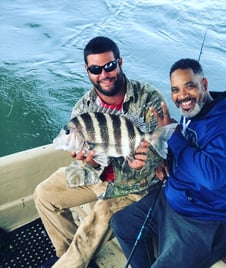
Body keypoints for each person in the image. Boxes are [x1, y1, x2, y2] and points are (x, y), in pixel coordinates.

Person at [34, 36, 166, 268]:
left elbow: (161, 150)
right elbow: (90, 162)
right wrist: (92, 164)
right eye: (96, 69)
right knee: (44, 195)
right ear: (87, 70)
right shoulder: (83, 108)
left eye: (109, 66)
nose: (104, 74)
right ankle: (70, 258)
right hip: (98, 177)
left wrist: (145, 161)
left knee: (98, 219)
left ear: (119, 62)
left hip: (136, 186)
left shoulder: (149, 98)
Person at [110, 58, 226, 268]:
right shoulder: (193, 111)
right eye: (175, 89)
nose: (182, 96)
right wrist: (164, 160)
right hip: (176, 200)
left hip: (210, 217)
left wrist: (174, 135)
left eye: (190, 86)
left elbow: (212, 177)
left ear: (204, 85)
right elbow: (186, 149)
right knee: (122, 224)